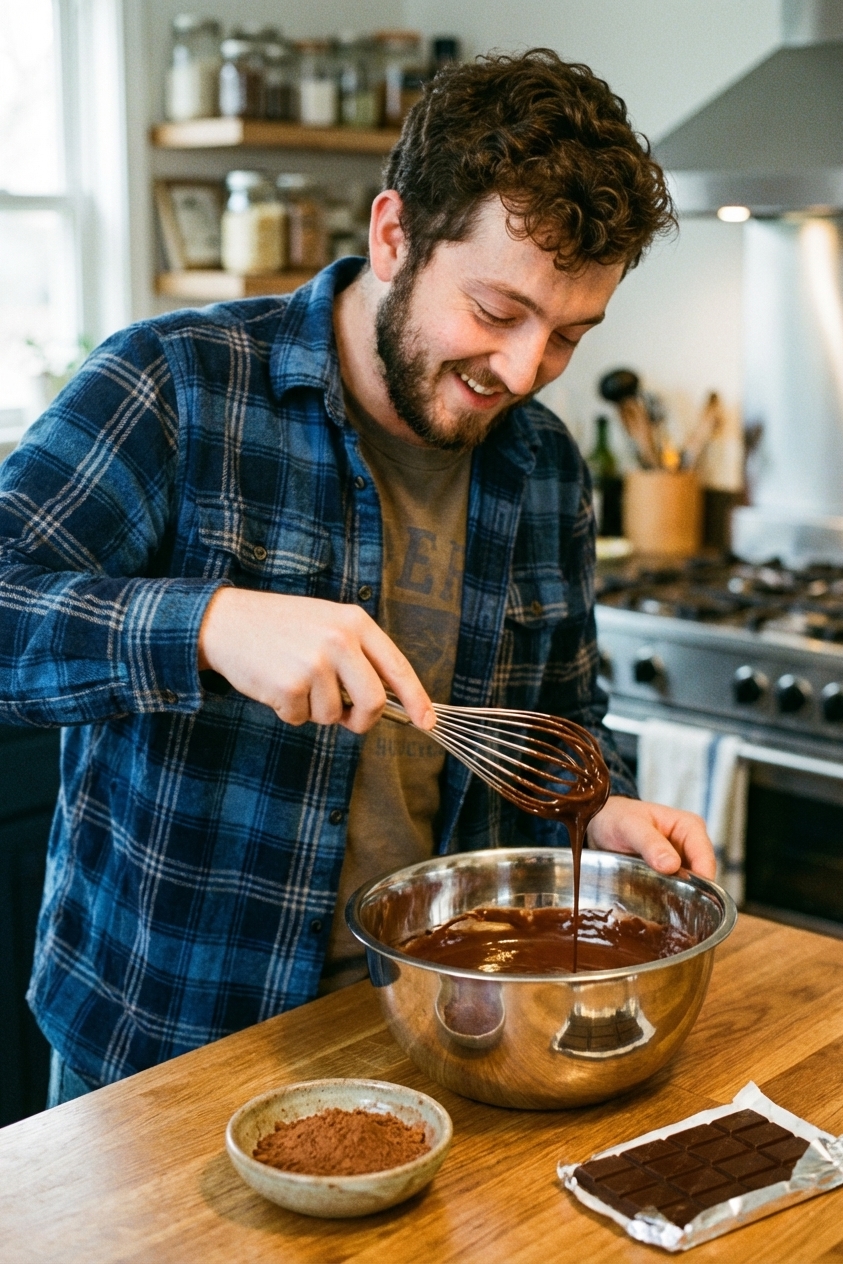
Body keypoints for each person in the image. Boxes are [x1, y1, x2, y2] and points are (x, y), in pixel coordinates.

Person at [0, 50, 714, 1104]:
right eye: (497, 312)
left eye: (567, 335)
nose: (522, 372)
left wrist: (601, 808)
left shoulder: (545, 466)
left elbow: (562, 710)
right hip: (168, 1046)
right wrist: (209, 624)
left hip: (441, 1030)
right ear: (394, 236)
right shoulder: (177, 385)